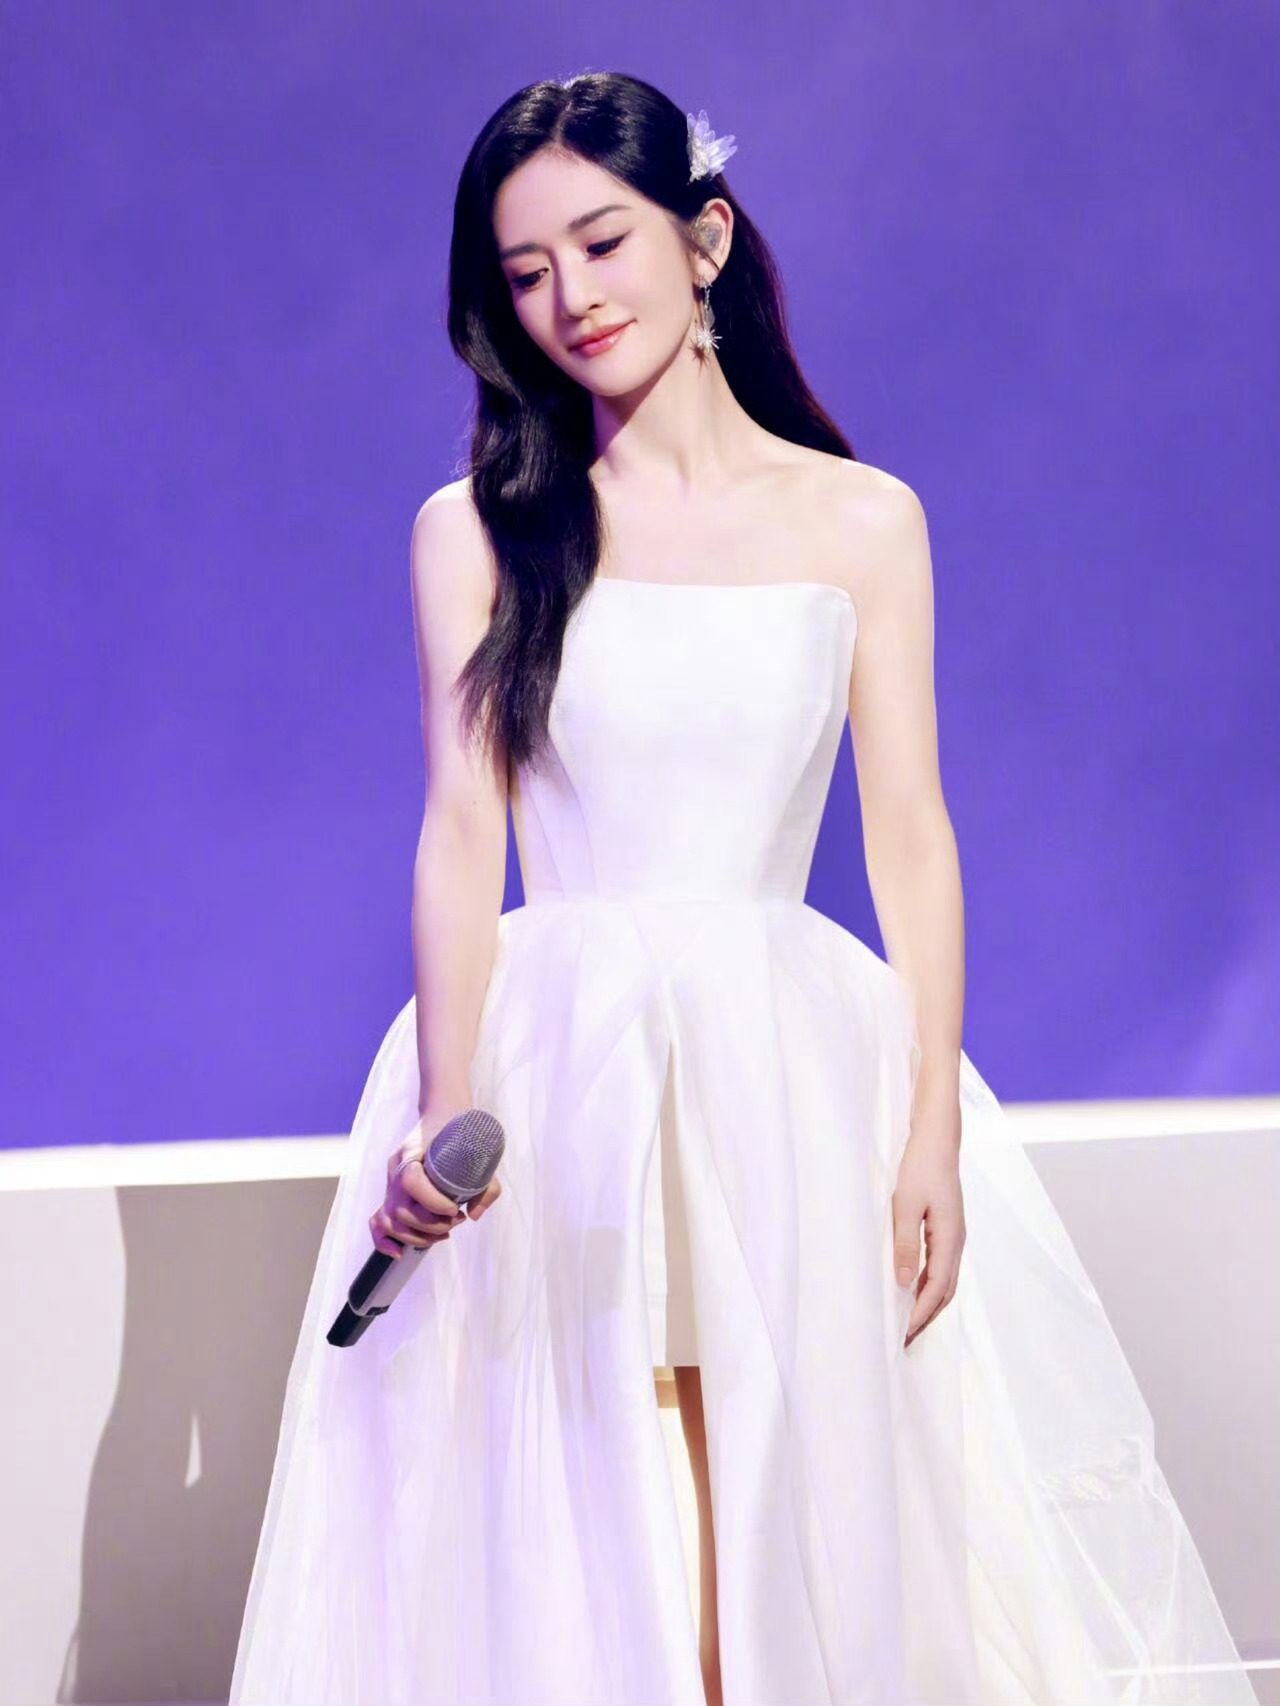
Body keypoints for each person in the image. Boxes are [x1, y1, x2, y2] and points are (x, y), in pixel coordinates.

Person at [229, 71, 1258, 1706]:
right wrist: (446, 1105)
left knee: (789, 1493)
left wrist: (929, 1124)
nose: (571, 298)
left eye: (602, 243)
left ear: (702, 239)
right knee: (593, 1510)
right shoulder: (478, 533)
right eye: (525, 272)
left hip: (785, 1065)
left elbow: (912, 834)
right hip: (558, 1068)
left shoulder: (861, 521)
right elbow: (460, 833)